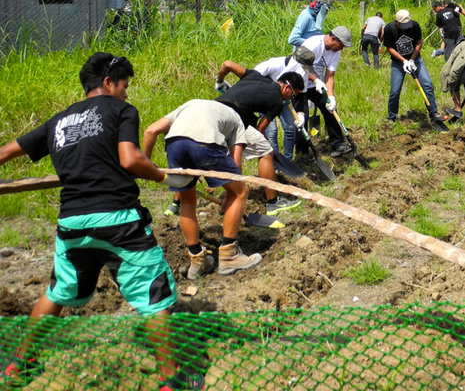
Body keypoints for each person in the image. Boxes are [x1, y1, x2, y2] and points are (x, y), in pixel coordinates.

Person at [0, 53, 197, 391]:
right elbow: (130, 158)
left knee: (58, 291)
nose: (126, 93)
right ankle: (170, 379)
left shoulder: (58, 121)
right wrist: (160, 175)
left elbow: (4, 153)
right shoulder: (120, 110)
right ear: (109, 83)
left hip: (72, 223)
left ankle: (19, 364)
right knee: (153, 294)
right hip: (118, 219)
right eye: (125, 86)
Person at [143, 99, 265, 279]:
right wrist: (231, 194)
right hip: (205, 143)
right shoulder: (237, 120)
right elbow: (235, 167)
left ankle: (197, 261)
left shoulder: (188, 105)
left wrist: (144, 163)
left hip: (175, 145)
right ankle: (230, 255)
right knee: (241, 192)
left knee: (187, 200)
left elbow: (150, 131)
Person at [213, 62, 305, 214]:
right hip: (233, 119)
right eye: (293, 95)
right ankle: (273, 203)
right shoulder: (277, 101)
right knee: (266, 152)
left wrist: (220, 81)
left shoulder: (255, 75)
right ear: (287, 88)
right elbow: (260, 129)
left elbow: (227, 64)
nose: (291, 99)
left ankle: (176, 203)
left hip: (213, 110)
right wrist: (269, 145)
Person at [382, 9, 447, 123]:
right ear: (397, 22)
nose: (406, 27)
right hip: (398, 63)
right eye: (403, 24)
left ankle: (434, 113)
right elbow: (389, 48)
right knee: (395, 91)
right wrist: (404, 61)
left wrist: (411, 60)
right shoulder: (389, 29)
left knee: (427, 84)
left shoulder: (414, 25)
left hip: (416, 60)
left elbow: (419, 42)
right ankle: (391, 117)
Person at [297, 26, 354, 157]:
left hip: (317, 85)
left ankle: (337, 143)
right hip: (300, 84)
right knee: (302, 117)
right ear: (334, 39)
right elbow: (300, 66)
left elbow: (330, 75)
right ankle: (303, 151)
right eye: (342, 45)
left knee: (330, 110)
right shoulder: (313, 44)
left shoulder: (335, 51)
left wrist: (331, 97)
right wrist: (316, 80)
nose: (342, 49)